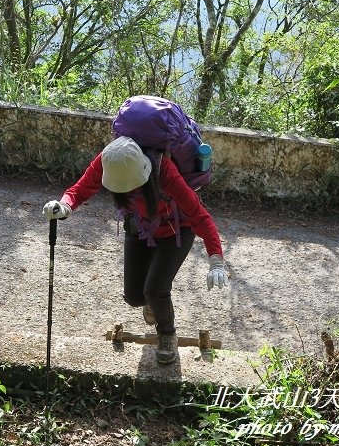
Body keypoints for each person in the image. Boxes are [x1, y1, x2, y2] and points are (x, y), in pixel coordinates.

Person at [43, 135, 228, 364]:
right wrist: (65, 206)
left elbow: (199, 215)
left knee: (155, 289)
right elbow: (80, 189)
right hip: (139, 227)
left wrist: (216, 259)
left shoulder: (164, 172)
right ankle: (153, 304)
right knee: (133, 296)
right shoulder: (110, 159)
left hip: (176, 230)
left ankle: (167, 334)